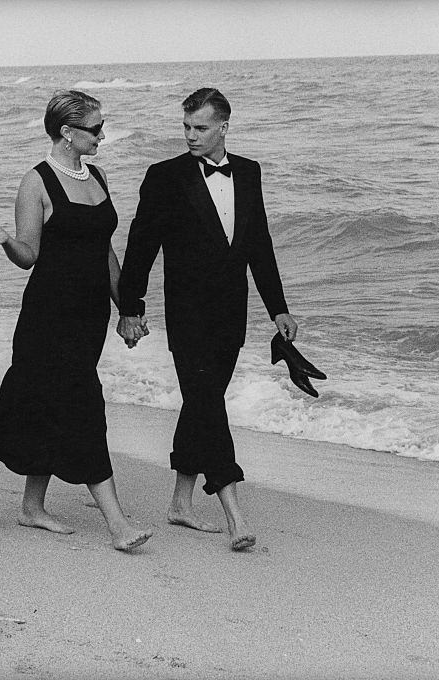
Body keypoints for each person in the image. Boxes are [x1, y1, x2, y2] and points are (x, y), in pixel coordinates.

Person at [117, 88, 298, 551]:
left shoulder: (250, 173)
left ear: (223, 127)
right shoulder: (164, 177)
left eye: (200, 128)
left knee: (204, 401)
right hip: (187, 315)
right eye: (186, 127)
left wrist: (278, 307)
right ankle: (234, 511)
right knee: (208, 404)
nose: (191, 136)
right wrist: (129, 307)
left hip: (230, 314)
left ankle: (180, 503)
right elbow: (141, 246)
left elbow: (259, 244)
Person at [0, 90, 152, 552]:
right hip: (48, 317)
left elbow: (105, 251)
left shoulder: (99, 176)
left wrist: (128, 307)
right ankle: (117, 525)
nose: (103, 135)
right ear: (67, 133)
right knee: (83, 406)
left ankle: (31, 508)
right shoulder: (36, 183)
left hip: (89, 316)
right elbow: (28, 256)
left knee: (43, 404)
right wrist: (6, 240)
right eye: (96, 129)